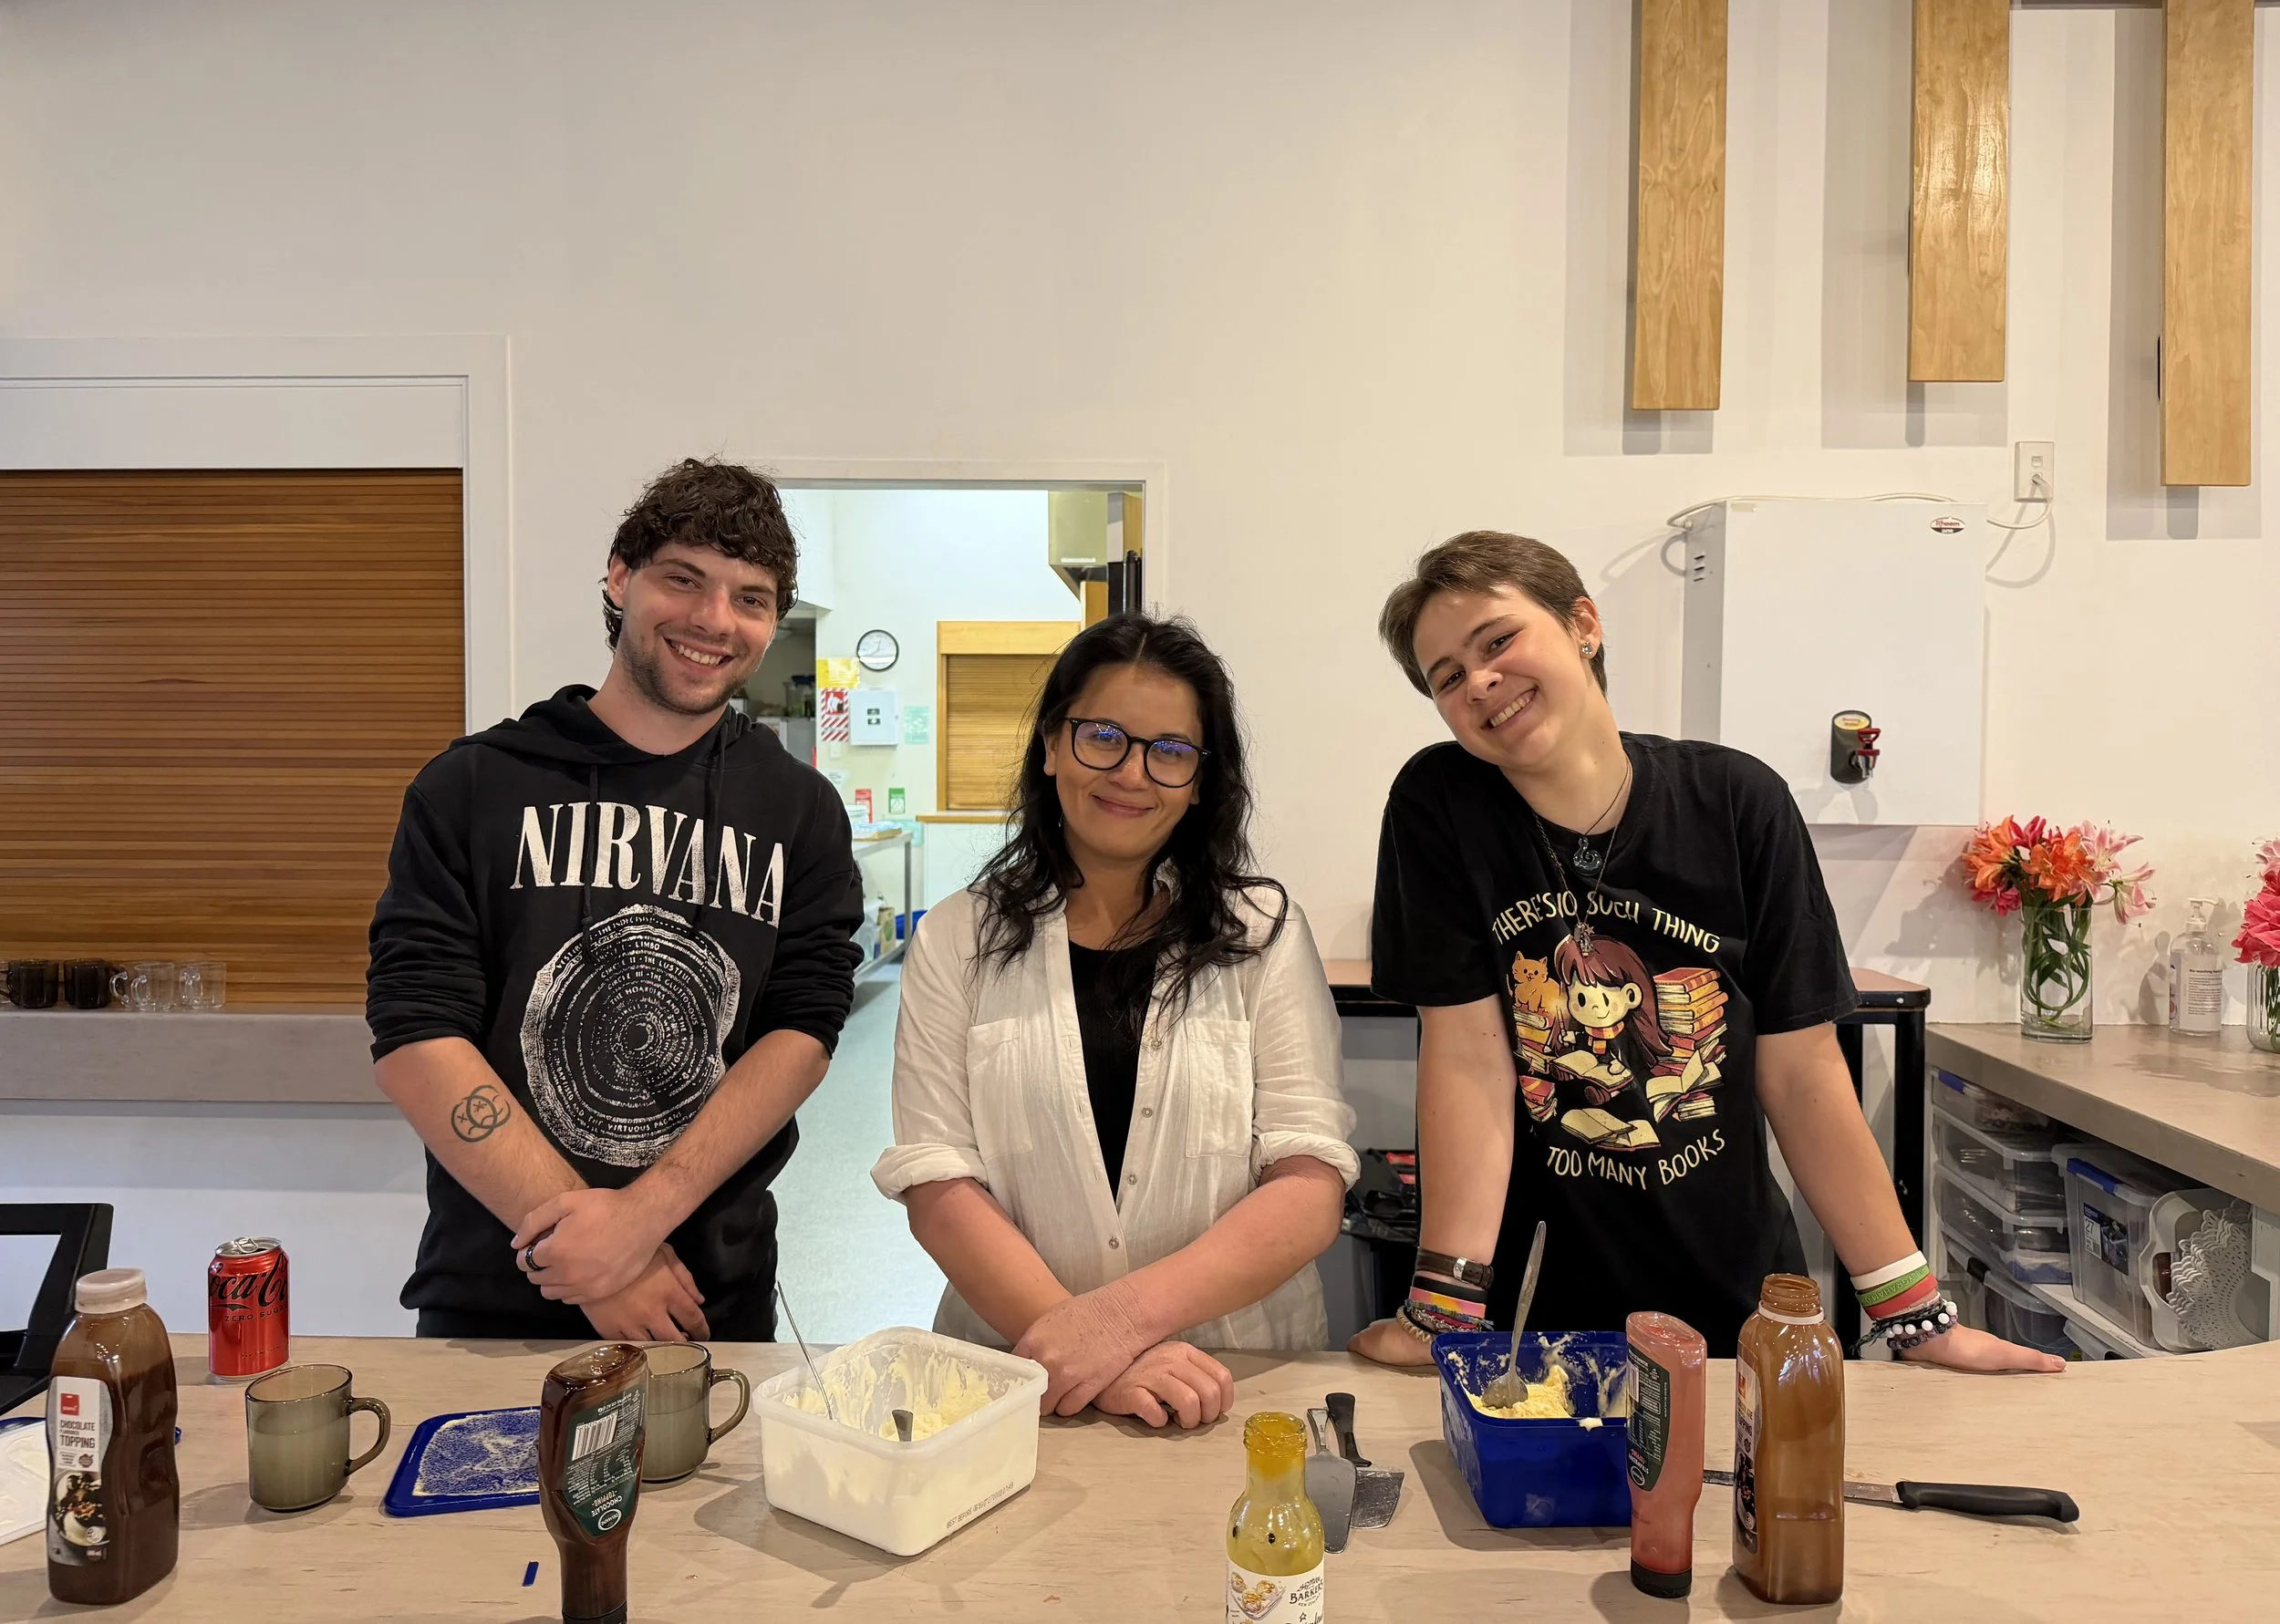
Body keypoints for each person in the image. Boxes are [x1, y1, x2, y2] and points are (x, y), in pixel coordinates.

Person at [1349, 531, 2058, 1371]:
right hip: (1527, 1316)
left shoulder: (1737, 802)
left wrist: (1916, 1317)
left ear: (1584, 625)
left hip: (1729, 1306)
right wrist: (1442, 1313)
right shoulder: (1440, 805)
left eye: (1497, 641)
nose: (1479, 682)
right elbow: (1468, 1060)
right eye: (1447, 677)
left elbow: (1802, 1075)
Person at [367, 458, 863, 1341]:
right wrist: (590, 1254)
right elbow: (417, 1035)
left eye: (750, 598)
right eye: (684, 579)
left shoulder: (800, 810)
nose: (715, 619)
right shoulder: (473, 786)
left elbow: (804, 1028)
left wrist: (638, 1222)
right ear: (620, 577)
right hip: (496, 1294)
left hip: (703, 1298)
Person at [875, 614, 1358, 1428]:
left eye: (1170, 750)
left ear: (1200, 779)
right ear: (1052, 745)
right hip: (1018, 1379)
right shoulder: (955, 935)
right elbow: (937, 1181)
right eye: (1103, 736)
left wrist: (1114, 1325)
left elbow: (1309, 1183)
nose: (1132, 772)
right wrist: (1091, 1349)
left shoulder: (1263, 933)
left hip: (1232, 1378)